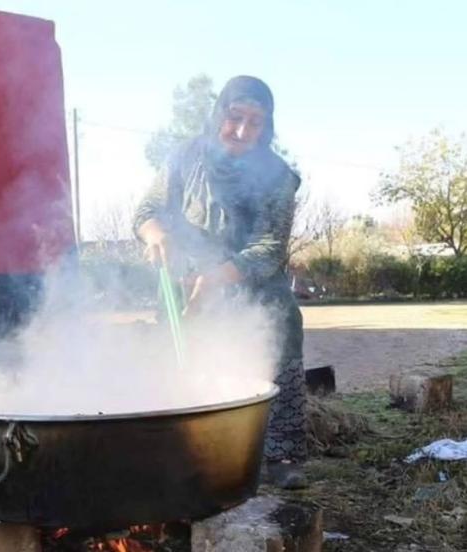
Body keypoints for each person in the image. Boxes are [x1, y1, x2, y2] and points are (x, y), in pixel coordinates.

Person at [133, 76, 308, 489]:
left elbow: (269, 247)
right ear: (219, 115)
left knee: (274, 354)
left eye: (255, 122)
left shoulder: (277, 176)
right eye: (235, 117)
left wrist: (217, 279)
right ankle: (189, 451)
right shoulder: (184, 158)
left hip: (255, 290)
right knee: (182, 366)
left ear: (266, 127)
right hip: (186, 285)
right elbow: (146, 211)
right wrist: (156, 235)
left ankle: (280, 455)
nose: (243, 130)